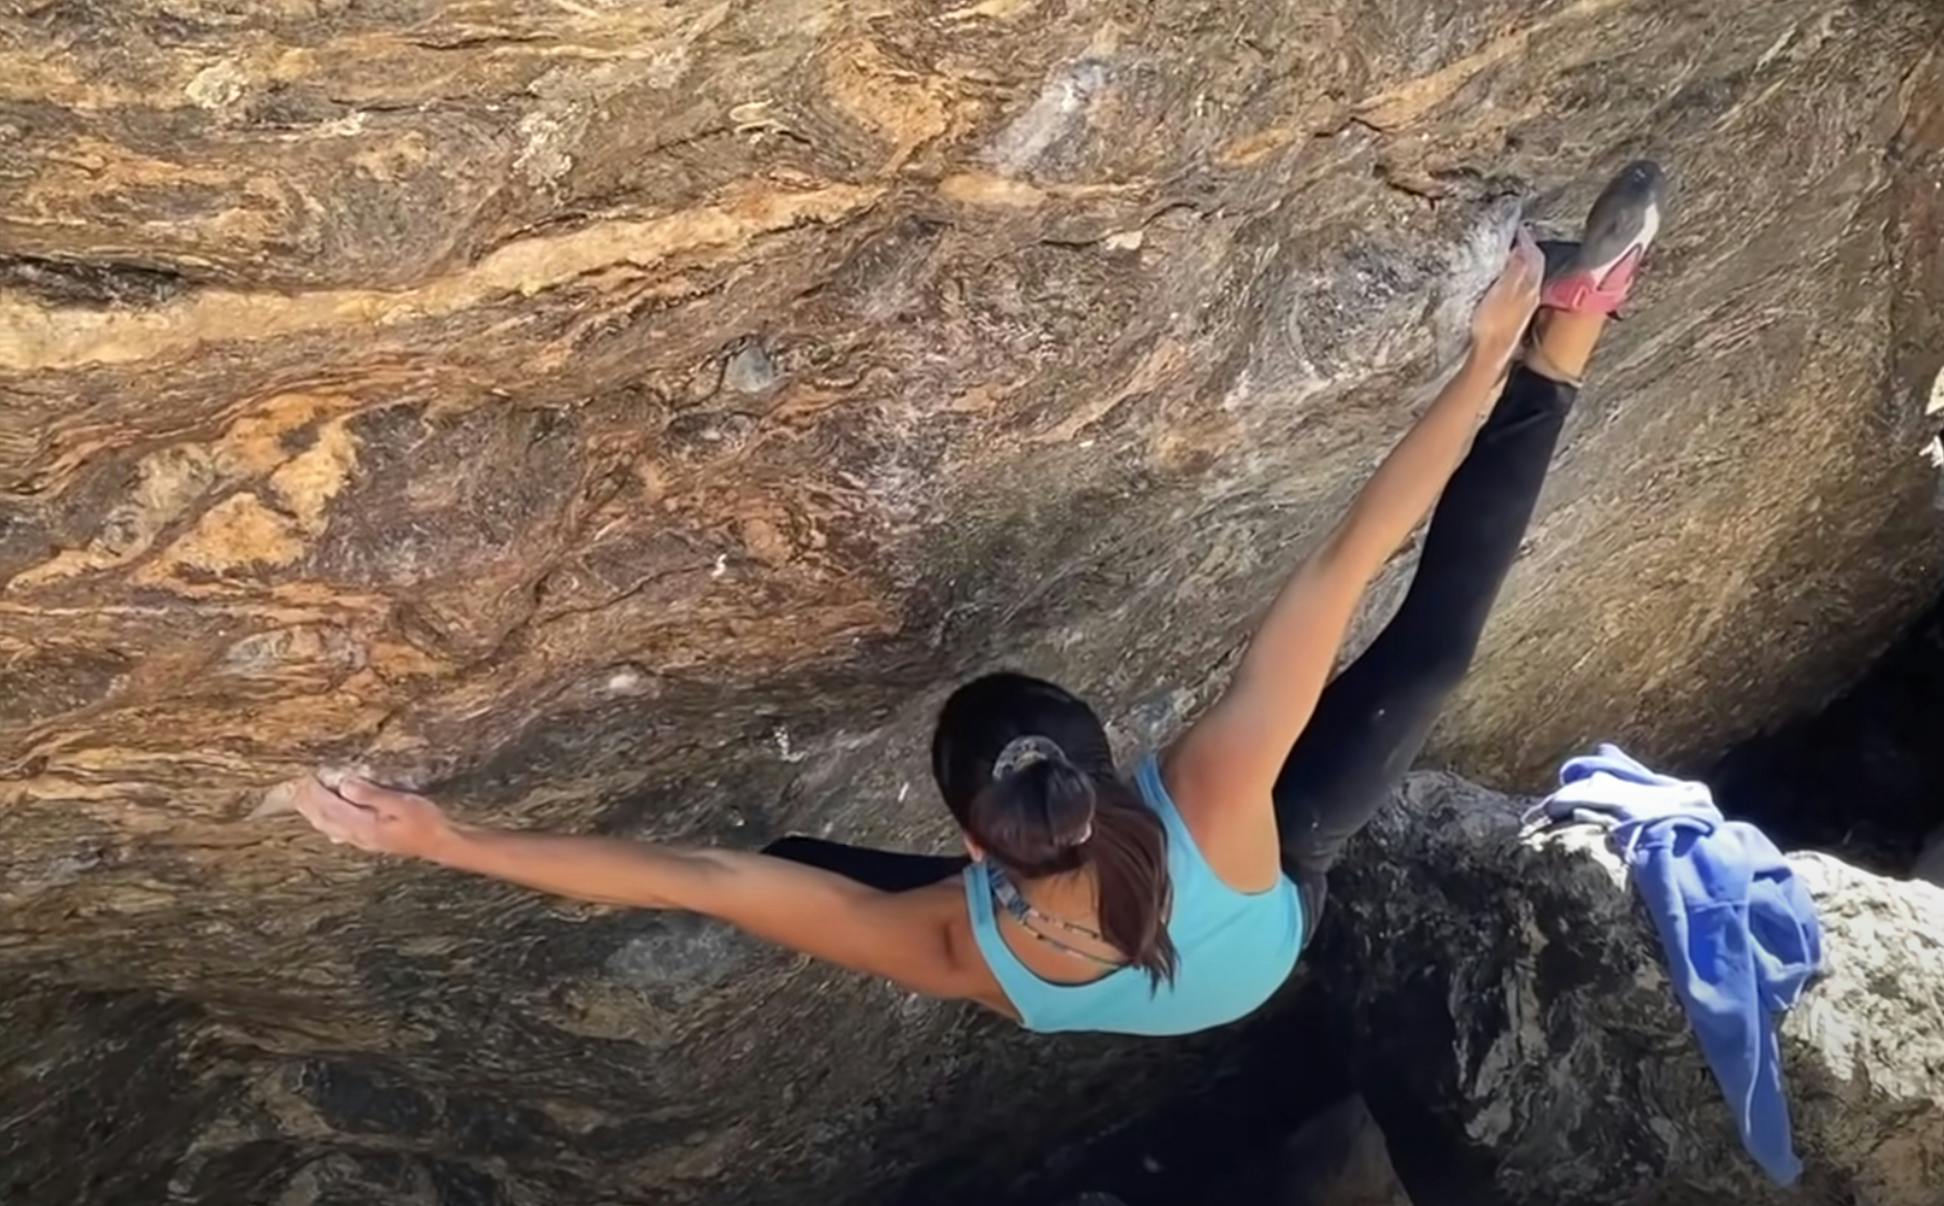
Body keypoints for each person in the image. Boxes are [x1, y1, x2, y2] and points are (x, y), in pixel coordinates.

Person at [287, 161, 1669, 1037]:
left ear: (971, 837)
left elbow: (688, 874)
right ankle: (1580, 324)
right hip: (1269, 914)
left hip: (1186, 984)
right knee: (1424, 662)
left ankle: (1573, 327)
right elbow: (1349, 561)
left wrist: (445, 836)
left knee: (778, 875)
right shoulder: (1214, 789)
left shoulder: (961, 940)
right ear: (1105, 745)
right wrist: (1496, 354)